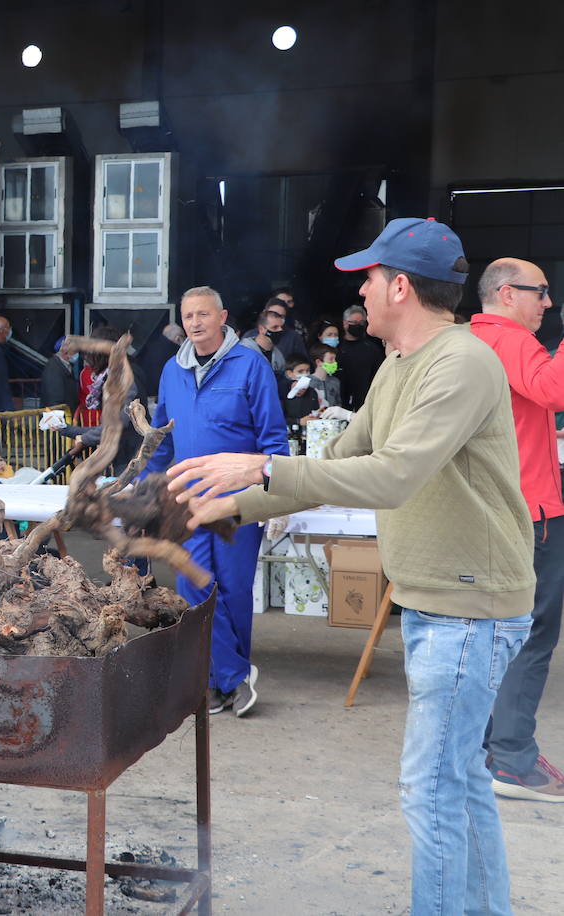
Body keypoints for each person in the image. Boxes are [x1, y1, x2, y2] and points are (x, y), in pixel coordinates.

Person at [168, 219, 534, 916]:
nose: (360, 289)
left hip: (470, 609)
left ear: (400, 285)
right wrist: (228, 509)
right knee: (459, 783)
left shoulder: (459, 363)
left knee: (432, 790)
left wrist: (265, 462)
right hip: (444, 605)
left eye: (368, 277)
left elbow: (394, 476)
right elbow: (337, 465)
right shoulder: (401, 362)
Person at [143, 285, 287, 717]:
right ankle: (231, 677)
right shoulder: (173, 370)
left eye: (203, 314)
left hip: (239, 498)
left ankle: (220, 683)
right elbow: (161, 438)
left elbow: (273, 438)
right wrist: (145, 489)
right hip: (187, 497)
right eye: (188, 316)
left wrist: (275, 496)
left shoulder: (250, 365)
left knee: (236, 590)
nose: (195, 322)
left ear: (222, 316)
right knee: (193, 584)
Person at [470, 257, 564, 802]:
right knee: (530, 637)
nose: (547, 303)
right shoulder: (512, 340)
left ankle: (489, 746)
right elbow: (551, 390)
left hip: (497, 509)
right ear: (508, 294)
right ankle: (511, 758)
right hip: (532, 512)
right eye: (541, 293)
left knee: (495, 635)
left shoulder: (473, 340)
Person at [336, 304, 385, 411]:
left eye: (361, 323)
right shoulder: (336, 347)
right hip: (339, 400)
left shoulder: (372, 349)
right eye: (354, 323)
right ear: (344, 324)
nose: (358, 325)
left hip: (365, 402)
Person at [238, 308, 288, 388]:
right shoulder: (243, 351)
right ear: (261, 329)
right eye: (275, 327)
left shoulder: (279, 355)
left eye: (281, 327)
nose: (280, 330)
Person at [38, 337, 78, 413]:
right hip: (57, 418)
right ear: (65, 352)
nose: (77, 354)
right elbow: (54, 399)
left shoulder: (66, 365)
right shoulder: (53, 368)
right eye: (75, 351)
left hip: (66, 415)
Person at [280, 355, 321, 428]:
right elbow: (277, 418)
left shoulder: (312, 392)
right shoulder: (281, 392)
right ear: (289, 373)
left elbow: (315, 411)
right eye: (300, 371)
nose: (305, 374)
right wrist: (298, 421)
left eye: (307, 370)